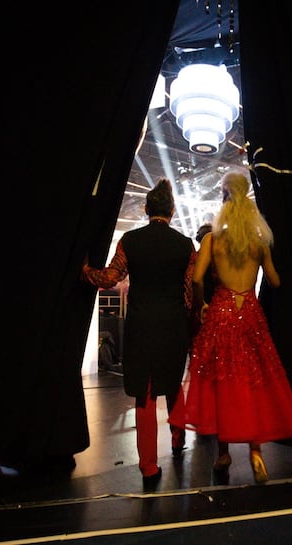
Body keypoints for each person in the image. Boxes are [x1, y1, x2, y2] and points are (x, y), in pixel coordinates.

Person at [169, 170, 292, 484]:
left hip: (221, 313)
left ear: (224, 198)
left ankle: (223, 453)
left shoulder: (212, 239)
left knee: (222, 384)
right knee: (253, 383)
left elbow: (197, 278)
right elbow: (275, 281)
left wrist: (202, 304)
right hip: (251, 316)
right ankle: (256, 452)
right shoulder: (259, 241)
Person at [82, 177, 196, 489]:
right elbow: (189, 293)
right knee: (173, 383)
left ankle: (148, 467)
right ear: (172, 211)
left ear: (146, 209)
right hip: (173, 324)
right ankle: (177, 438)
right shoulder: (186, 246)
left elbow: (108, 278)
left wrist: (84, 271)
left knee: (145, 394)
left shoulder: (129, 242)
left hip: (141, 325)